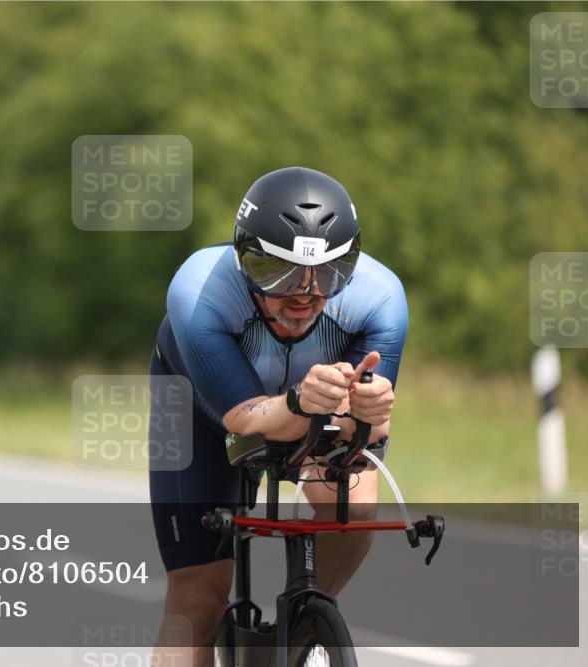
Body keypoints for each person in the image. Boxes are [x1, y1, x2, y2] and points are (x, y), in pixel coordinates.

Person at [148, 166, 407, 666]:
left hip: (309, 407)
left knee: (354, 509)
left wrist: (373, 414)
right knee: (198, 600)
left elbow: (362, 433)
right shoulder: (199, 290)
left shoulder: (380, 298)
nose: (304, 295)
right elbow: (244, 421)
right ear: (244, 258)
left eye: (328, 274)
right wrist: (299, 402)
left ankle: (302, 624)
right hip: (202, 411)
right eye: (278, 272)